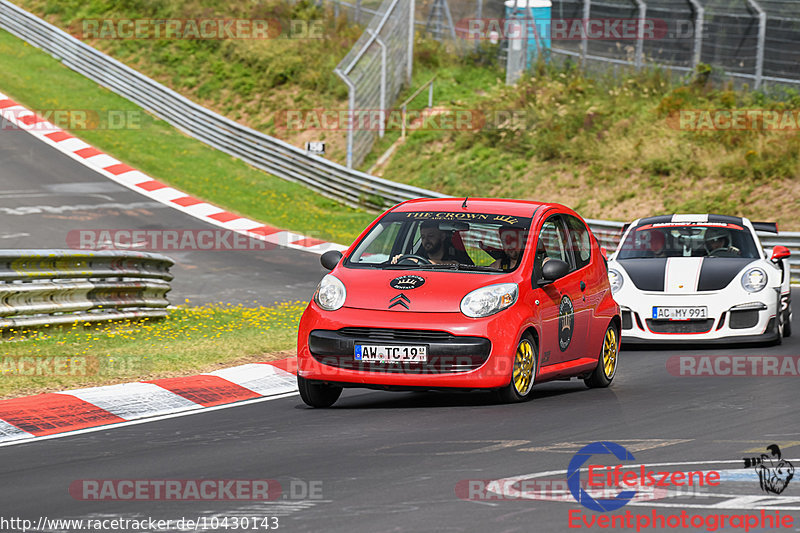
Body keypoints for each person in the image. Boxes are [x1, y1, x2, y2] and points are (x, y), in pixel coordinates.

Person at [392, 221, 461, 264]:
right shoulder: (418, 256)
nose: (426, 240)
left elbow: (456, 264)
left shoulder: (455, 255)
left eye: (430, 236)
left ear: (442, 237)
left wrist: (418, 262)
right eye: (423, 237)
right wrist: (400, 259)